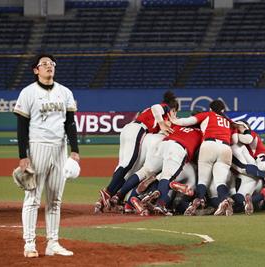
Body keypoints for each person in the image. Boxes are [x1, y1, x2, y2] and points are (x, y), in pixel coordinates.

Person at [14, 54, 80, 258]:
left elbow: (70, 123)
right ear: (36, 70)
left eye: (51, 64)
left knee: (55, 200)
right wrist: (23, 156)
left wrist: (75, 150)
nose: (48, 66)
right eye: (44, 64)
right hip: (37, 147)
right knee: (32, 197)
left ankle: (53, 243)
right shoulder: (28, 93)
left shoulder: (65, 92)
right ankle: (29, 244)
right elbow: (22, 126)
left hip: (59, 148)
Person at [96, 91, 178, 210]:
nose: (174, 114)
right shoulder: (164, 107)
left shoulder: (157, 113)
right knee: (128, 163)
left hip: (130, 129)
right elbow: (156, 107)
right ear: (173, 108)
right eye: (175, 111)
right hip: (138, 129)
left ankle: (109, 197)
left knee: (125, 165)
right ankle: (108, 191)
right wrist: (162, 123)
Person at [170, 100, 235, 216]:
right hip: (226, 148)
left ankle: (199, 200)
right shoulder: (228, 121)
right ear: (223, 110)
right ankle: (224, 200)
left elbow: (189, 121)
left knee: (203, 180)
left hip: (209, 144)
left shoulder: (208, 114)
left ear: (211, 109)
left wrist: (174, 120)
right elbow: (234, 140)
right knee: (220, 181)